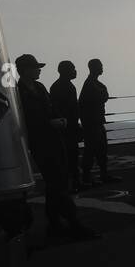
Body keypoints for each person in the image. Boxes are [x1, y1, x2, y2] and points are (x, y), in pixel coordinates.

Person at [16, 54, 90, 238]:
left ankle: (55, 223)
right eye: (35, 67)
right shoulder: (19, 92)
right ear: (25, 70)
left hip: (55, 139)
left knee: (57, 181)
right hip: (41, 142)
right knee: (56, 182)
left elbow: (51, 108)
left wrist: (61, 120)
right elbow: (24, 119)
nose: (39, 70)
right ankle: (71, 222)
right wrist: (50, 123)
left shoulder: (39, 87)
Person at [78, 58, 120, 185]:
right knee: (91, 150)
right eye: (100, 66)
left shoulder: (94, 83)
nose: (102, 68)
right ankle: (87, 177)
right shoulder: (90, 84)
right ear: (94, 68)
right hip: (92, 123)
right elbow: (101, 97)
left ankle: (102, 174)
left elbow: (103, 96)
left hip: (97, 122)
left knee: (101, 150)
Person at [50, 60, 82, 189]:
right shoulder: (65, 86)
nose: (75, 71)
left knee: (71, 156)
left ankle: (74, 182)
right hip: (66, 127)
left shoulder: (60, 86)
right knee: (70, 156)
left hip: (67, 126)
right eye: (73, 68)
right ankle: (72, 183)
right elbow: (65, 109)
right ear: (65, 71)